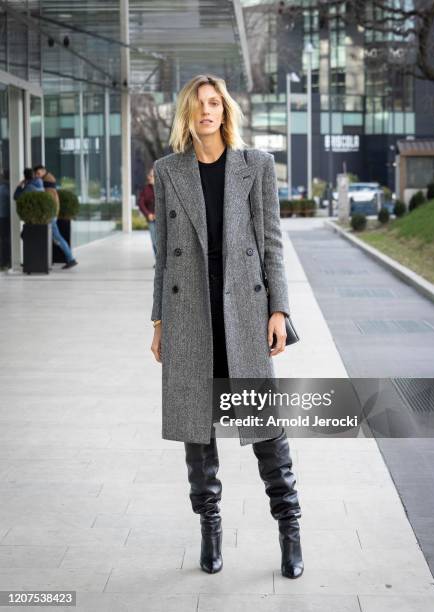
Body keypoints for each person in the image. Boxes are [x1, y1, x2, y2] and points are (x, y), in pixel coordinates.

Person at [150, 75, 303, 579]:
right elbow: (162, 259)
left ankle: (290, 529)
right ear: (186, 115)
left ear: (225, 111)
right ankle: (210, 530)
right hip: (190, 314)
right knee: (199, 431)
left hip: (243, 311)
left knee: (265, 429)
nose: (206, 112)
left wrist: (278, 310)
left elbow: (272, 243)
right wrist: (158, 321)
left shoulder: (255, 165)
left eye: (214, 104)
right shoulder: (168, 170)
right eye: (198, 105)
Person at [33, 165, 78, 270]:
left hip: (51, 214)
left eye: (38, 174)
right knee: (56, 238)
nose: (37, 176)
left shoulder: (48, 183)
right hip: (53, 214)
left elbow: (49, 201)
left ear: (43, 171)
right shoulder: (49, 180)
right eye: (36, 174)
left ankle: (71, 259)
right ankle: (67, 259)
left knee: (57, 238)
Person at [137, 167, 157, 264]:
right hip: (151, 220)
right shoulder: (145, 189)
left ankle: (162, 261)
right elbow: (141, 203)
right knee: (154, 241)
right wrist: (148, 214)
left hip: (163, 219)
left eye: (153, 175)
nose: (151, 177)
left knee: (162, 241)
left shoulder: (162, 188)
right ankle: (158, 261)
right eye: (150, 175)